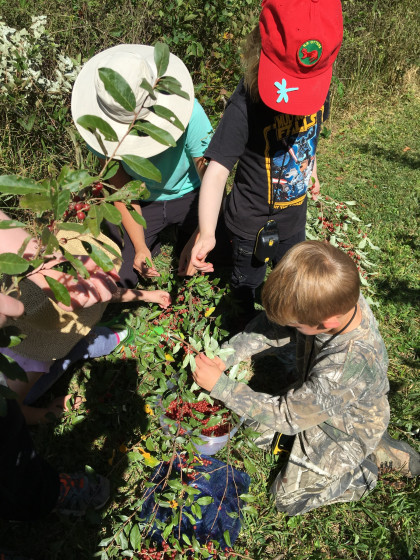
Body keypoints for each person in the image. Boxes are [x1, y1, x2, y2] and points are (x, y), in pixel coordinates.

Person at [193, 241, 420, 515]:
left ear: (326, 323)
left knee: (287, 501)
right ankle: (341, 449)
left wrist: (222, 387)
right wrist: (227, 355)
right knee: (250, 427)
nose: (289, 327)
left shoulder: (348, 363)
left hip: (348, 426)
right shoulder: (330, 298)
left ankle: (365, 467)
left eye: (295, 326)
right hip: (321, 398)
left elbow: (288, 417)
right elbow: (271, 325)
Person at [190, 0, 343, 324]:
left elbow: (307, 138)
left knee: (291, 276)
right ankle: (241, 323)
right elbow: (217, 171)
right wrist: (206, 232)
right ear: (260, 46)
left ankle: (283, 324)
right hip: (249, 224)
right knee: (246, 282)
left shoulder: (320, 87)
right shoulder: (246, 103)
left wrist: (310, 168)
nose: (299, 99)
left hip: (294, 215)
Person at [71, 44, 223, 287]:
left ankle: (179, 237)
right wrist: (140, 246)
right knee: (119, 277)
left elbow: (213, 179)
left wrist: (199, 237)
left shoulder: (190, 114)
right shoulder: (98, 131)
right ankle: (152, 243)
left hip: (193, 196)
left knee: (218, 257)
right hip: (142, 200)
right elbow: (122, 190)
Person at [0, 210, 171, 423]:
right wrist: (51, 413)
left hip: (42, 343)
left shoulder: (22, 296)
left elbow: (106, 294)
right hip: (32, 376)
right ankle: (106, 339)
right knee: (75, 352)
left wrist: (147, 296)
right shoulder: (28, 368)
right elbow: (13, 412)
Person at [0, 291, 110, 531]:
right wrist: (47, 414)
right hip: (22, 387)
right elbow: (13, 411)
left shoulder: (28, 335)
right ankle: (38, 498)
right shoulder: (31, 361)